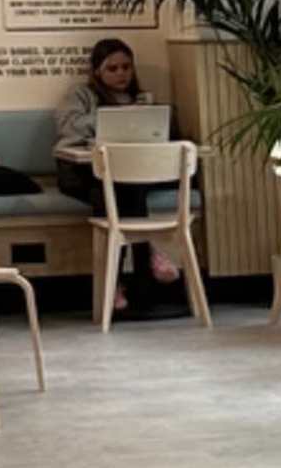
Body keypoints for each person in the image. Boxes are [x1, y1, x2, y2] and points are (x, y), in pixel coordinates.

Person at [54, 36, 186, 300]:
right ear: (97, 71)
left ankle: (115, 286)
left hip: (127, 174)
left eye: (126, 67)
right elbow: (69, 128)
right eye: (112, 69)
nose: (121, 74)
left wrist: (146, 116)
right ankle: (146, 259)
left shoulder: (141, 99)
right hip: (81, 174)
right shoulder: (81, 95)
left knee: (121, 191)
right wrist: (114, 115)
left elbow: (162, 134)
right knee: (118, 193)